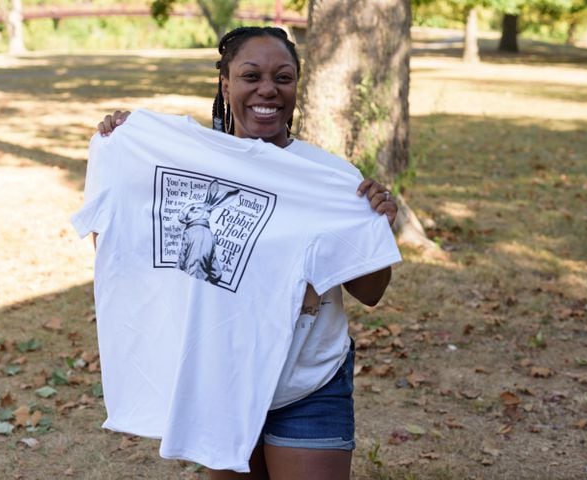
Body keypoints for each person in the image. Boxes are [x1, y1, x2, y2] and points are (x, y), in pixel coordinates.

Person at [93, 26, 399, 480]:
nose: (268, 90)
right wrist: (124, 147)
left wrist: (375, 226)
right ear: (225, 83)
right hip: (222, 382)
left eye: (283, 77)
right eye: (250, 75)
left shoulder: (328, 177)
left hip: (308, 384)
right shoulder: (183, 163)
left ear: (297, 86)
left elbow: (371, 292)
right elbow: (123, 246)